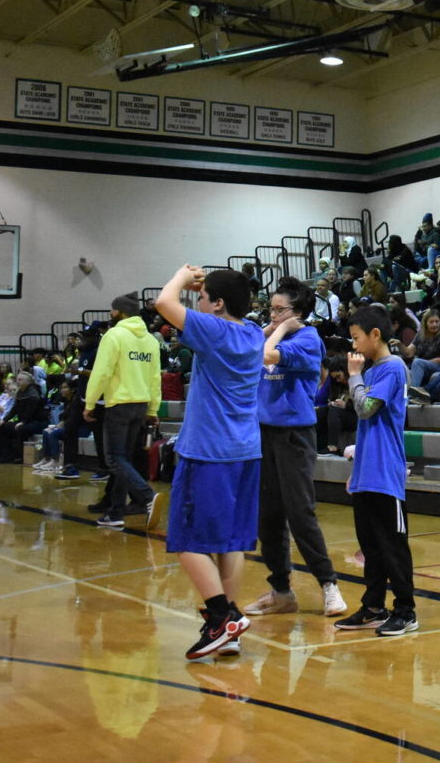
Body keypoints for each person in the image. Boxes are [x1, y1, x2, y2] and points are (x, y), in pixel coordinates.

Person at [153, 265, 265, 660]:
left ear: (218, 305)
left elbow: (163, 302)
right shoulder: (252, 332)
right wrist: (210, 288)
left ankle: (221, 616)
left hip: (208, 453)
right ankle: (229, 631)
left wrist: (182, 276)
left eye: (203, 297)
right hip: (246, 452)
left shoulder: (215, 330)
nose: (197, 301)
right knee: (231, 541)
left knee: (186, 539)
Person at [244, 277, 346, 620]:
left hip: (294, 434)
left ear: (297, 312)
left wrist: (283, 327)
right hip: (263, 434)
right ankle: (281, 591)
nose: (271, 314)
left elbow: (262, 355)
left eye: (279, 309)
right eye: (269, 308)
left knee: (300, 512)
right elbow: (245, 347)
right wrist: (272, 325)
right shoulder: (271, 330)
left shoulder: (307, 338)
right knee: (267, 517)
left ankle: (329, 584)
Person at [332, 304, 419, 637]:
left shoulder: (392, 368)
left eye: (356, 338)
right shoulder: (371, 372)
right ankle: (373, 607)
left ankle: (406, 610)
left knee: (393, 546)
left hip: (386, 472)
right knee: (370, 546)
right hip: (368, 471)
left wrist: (354, 377)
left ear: (375, 335)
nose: (354, 345)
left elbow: (367, 409)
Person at [84, 293, 162, 528]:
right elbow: (155, 377)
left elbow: (101, 372)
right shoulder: (150, 340)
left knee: (114, 459)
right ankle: (116, 512)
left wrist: (89, 403)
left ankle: (147, 496)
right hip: (141, 405)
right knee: (124, 459)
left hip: (119, 404)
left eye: (112, 310)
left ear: (117, 312)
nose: (110, 313)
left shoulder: (114, 335)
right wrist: (153, 408)